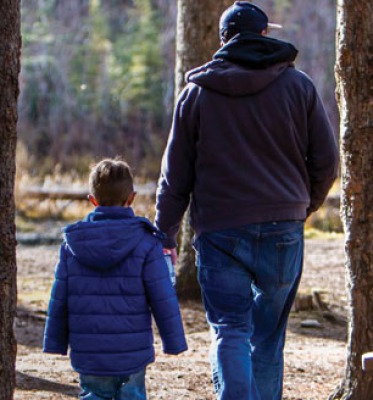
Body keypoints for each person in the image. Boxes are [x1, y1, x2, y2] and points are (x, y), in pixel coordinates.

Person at [154, 2, 339, 399]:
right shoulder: (298, 86)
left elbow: (175, 177)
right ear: (264, 35)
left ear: (223, 40)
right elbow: (326, 163)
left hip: (220, 230)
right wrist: (301, 207)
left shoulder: (197, 94)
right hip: (283, 229)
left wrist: (164, 233)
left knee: (230, 328)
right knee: (268, 336)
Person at [44, 158, 188, 400]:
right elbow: (162, 297)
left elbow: (59, 298)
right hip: (132, 353)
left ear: (92, 200)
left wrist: (55, 342)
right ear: (131, 198)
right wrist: (173, 341)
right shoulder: (146, 242)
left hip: (89, 353)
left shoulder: (73, 244)